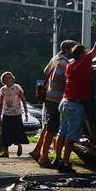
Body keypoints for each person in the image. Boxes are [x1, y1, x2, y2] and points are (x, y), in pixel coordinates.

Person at [56, 20, 96, 173]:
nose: (88, 53)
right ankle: (66, 163)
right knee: (71, 136)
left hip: (64, 102)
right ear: (82, 54)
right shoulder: (83, 63)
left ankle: (58, 159)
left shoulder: (70, 65)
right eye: (86, 52)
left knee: (62, 132)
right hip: (75, 105)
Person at [30, 40, 77, 168]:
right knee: (52, 129)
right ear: (68, 50)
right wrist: (70, 78)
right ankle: (44, 158)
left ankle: (36, 151)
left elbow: (46, 71)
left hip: (49, 96)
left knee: (47, 127)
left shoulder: (56, 58)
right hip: (56, 98)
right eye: (74, 48)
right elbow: (57, 76)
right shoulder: (63, 62)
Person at [0, 71, 29, 157]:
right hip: (6, 114)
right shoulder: (3, 90)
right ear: (3, 80)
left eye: (9, 77)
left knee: (17, 131)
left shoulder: (17, 87)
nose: (8, 79)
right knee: (6, 133)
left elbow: (23, 100)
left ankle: (19, 146)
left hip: (16, 113)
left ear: (12, 79)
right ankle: (6, 152)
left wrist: (26, 111)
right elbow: (1, 103)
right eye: (5, 78)